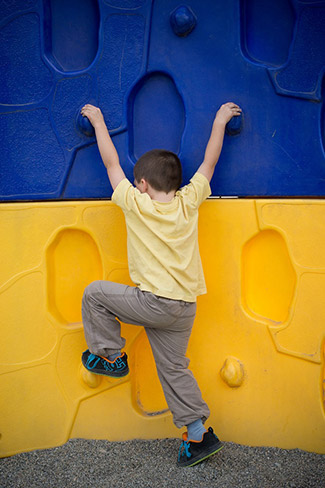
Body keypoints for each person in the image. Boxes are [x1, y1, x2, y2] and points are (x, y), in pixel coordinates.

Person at [80, 101, 241, 467]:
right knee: (173, 369)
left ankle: (110, 356)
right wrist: (218, 122)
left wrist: (99, 122)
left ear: (143, 184)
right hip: (184, 308)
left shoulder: (137, 205)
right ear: (176, 183)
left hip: (154, 303)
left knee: (95, 294)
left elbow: (110, 163)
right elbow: (209, 163)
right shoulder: (190, 201)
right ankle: (198, 435)